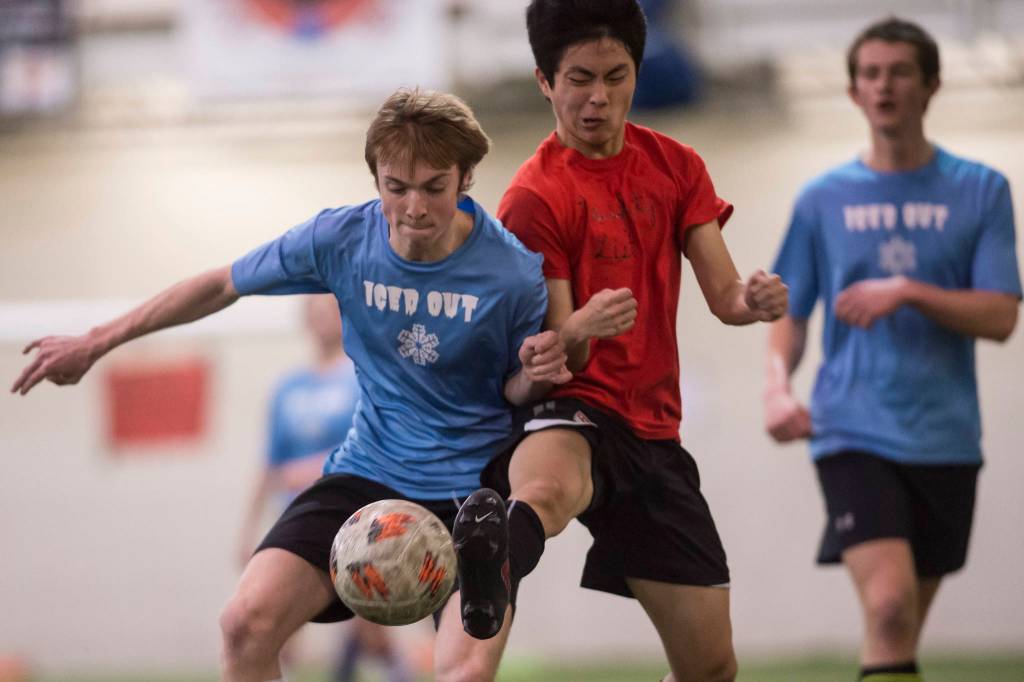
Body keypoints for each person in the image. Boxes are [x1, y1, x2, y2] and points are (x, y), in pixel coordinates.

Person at [11, 87, 575, 682]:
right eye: (395, 187)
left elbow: (517, 396)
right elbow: (219, 285)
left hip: (472, 492)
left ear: (466, 180)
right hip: (368, 471)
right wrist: (99, 340)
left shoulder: (511, 274)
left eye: (434, 187)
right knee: (244, 623)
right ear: (375, 179)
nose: (413, 208)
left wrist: (534, 378)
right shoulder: (341, 240)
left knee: (462, 675)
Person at [433, 2, 789, 681]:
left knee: (711, 667)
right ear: (545, 81)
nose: (599, 97)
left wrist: (757, 301)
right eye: (579, 79)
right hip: (573, 405)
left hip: (654, 435)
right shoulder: (536, 195)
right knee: (545, 487)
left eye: (616, 76)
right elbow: (558, 353)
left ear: (637, 70)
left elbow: (725, 296)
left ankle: (500, 550)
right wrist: (582, 327)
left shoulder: (677, 166)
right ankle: (493, 557)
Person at [762, 18, 1021, 682]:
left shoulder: (982, 189)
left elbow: (999, 316)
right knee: (888, 604)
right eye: (870, 74)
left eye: (900, 72)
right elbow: (791, 309)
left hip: (946, 437)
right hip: (852, 428)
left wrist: (908, 291)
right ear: (853, 92)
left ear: (931, 85)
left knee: (897, 628)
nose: (884, 87)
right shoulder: (824, 198)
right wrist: (776, 386)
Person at [235, 294, 413, 682]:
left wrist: (317, 468)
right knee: (272, 626)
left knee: (371, 628)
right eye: (315, 311)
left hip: (354, 514)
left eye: (331, 309)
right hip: (297, 517)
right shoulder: (288, 386)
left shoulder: (363, 376)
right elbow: (270, 463)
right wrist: (249, 531)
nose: (323, 318)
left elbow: (377, 444)